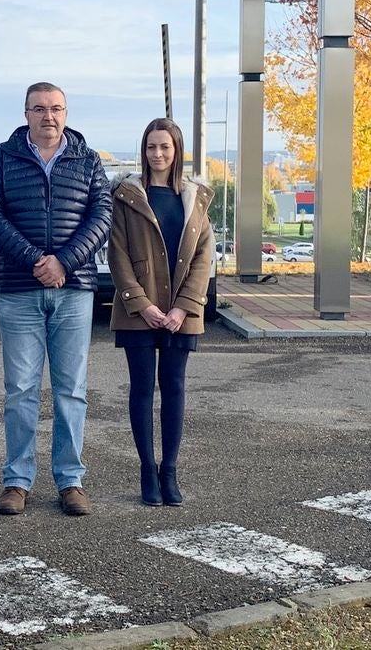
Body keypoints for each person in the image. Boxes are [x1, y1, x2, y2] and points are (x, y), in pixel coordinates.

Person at [0, 82, 111, 516]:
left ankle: (70, 481)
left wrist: (64, 263)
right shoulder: (2, 157)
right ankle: (17, 481)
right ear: (26, 113)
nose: (47, 116)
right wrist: (37, 259)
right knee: (21, 390)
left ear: (66, 113)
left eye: (55, 108)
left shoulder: (89, 161)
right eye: (38, 109)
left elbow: (102, 216)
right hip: (18, 289)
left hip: (73, 291)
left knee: (71, 390)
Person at [108, 118, 213, 506]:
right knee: (141, 390)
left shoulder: (195, 197)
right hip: (139, 313)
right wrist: (144, 305)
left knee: (174, 388)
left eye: (165, 147)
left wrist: (184, 308)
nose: (158, 154)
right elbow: (116, 255)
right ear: (144, 150)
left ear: (176, 150)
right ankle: (146, 471)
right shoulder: (126, 195)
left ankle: (169, 470)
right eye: (151, 147)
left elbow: (204, 258)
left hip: (180, 315)